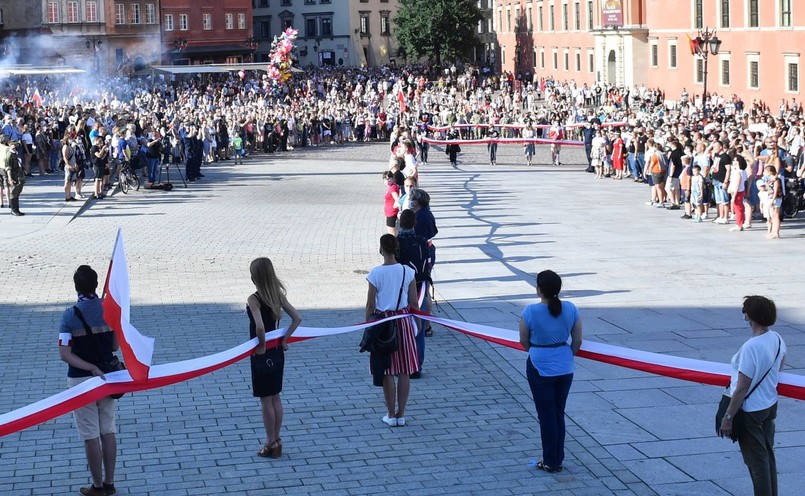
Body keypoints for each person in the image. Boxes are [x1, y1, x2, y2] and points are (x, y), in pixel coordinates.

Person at [58, 266, 120, 496]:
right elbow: (114, 346)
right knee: (108, 430)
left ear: (76, 287)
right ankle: (110, 483)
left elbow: (65, 354)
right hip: (109, 379)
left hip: (81, 383)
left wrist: (89, 367)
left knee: (90, 435)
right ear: (95, 285)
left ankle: (96, 486)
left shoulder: (69, 315)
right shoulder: (109, 311)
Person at [719, 296, 786, 496]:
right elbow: (779, 367)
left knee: (757, 464)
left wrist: (728, 417)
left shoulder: (751, 346)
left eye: (745, 313)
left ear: (751, 317)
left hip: (751, 411)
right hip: (769, 405)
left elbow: (741, 388)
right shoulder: (777, 338)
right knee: (767, 456)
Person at [518, 270, 583, 474]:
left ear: (539, 290)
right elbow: (578, 340)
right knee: (558, 413)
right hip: (564, 365)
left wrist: (537, 350)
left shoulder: (529, 311)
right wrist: (566, 354)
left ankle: (550, 461)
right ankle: (557, 458)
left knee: (546, 415)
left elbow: (523, 341)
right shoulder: (571, 308)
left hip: (539, 363)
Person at [247, 257, 302, 459]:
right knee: (276, 396)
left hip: (262, 355)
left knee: (265, 400)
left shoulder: (254, 299)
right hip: (277, 353)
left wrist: (261, 346)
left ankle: (270, 441)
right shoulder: (277, 295)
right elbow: (297, 318)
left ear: (255, 278)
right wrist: (285, 340)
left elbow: (259, 326)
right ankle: (277, 438)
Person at [365, 234, 420, 427]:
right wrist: (418, 323)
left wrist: (367, 327)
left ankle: (390, 414)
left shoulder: (375, 274)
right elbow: (414, 302)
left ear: (381, 249)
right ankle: (401, 414)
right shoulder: (408, 271)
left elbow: (370, 304)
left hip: (383, 325)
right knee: (404, 370)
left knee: (387, 370)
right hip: (403, 322)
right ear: (396, 249)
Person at [395, 209, 431, 378]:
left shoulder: (396, 242)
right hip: (420, 287)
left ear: (400, 223)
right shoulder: (422, 241)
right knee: (419, 328)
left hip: (401, 290)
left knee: (402, 327)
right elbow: (429, 263)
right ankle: (417, 366)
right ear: (415, 223)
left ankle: (403, 363)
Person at [0, 135, 25, 216]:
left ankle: (17, 209)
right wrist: (10, 178)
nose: (15, 146)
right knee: (13, 192)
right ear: (10, 144)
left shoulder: (14, 153)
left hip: (18, 175)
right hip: (14, 176)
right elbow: (8, 168)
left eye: (16, 144)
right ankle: (14, 209)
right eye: (14, 144)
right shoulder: (9, 154)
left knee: (17, 192)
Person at [382, 170, 400, 235]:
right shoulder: (392, 187)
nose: (388, 180)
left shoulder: (392, 188)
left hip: (392, 213)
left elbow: (397, 199)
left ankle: (394, 243)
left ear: (393, 178)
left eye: (389, 178)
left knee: (391, 232)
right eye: (386, 179)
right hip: (390, 212)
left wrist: (395, 207)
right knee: (393, 231)